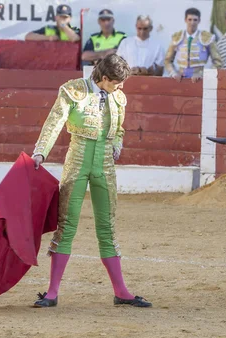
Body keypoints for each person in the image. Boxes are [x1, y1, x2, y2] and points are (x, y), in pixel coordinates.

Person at [31, 54, 152, 309]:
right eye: (117, 83)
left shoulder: (119, 97)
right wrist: (40, 151)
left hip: (105, 166)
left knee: (107, 229)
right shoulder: (73, 90)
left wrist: (117, 143)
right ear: (104, 78)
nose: (121, 88)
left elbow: (119, 128)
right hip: (77, 162)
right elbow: (54, 123)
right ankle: (52, 293)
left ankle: (121, 292)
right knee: (67, 226)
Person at [164, 7, 222, 83]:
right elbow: (167, 60)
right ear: (185, 20)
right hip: (180, 80)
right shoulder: (177, 37)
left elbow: (218, 62)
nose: (192, 23)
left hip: (200, 80)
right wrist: (174, 73)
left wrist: (204, 75)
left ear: (199, 21)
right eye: (190, 19)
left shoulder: (207, 37)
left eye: (195, 20)